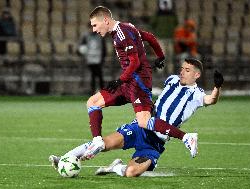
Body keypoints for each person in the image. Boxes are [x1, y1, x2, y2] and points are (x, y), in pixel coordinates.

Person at [49, 58, 224, 177]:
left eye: (187, 70)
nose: (182, 72)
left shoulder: (197, 95)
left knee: (131, 173)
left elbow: (212, 100)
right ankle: (64, 158)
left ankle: (115, 167)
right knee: (103, 144)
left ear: (197, 75)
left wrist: (217, 86)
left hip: (156, 142)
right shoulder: (171, 80)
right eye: (182, 69)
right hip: (141, 127)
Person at [83, 5, 175, 159]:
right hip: (128, 81)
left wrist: (120, 80)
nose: (93, 30)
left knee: (144, 122)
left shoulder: (122, 33)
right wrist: (160, 56)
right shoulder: (126, 28)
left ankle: (182, 136)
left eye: (95, 25)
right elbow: (150, 37)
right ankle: (98, 141)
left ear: (105, 20)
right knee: (93, 102)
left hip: (138, 83)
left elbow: (135, 62)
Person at [78, 24, 106, 95]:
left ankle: (102, 92)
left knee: (99, 75)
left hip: (98, 59)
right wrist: (81, 52)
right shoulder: (85, 36)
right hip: (90, 59)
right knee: (93, 75)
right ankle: (93, 92)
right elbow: (81, 47)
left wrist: (103, 58)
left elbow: (104, 48)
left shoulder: (100, 36)